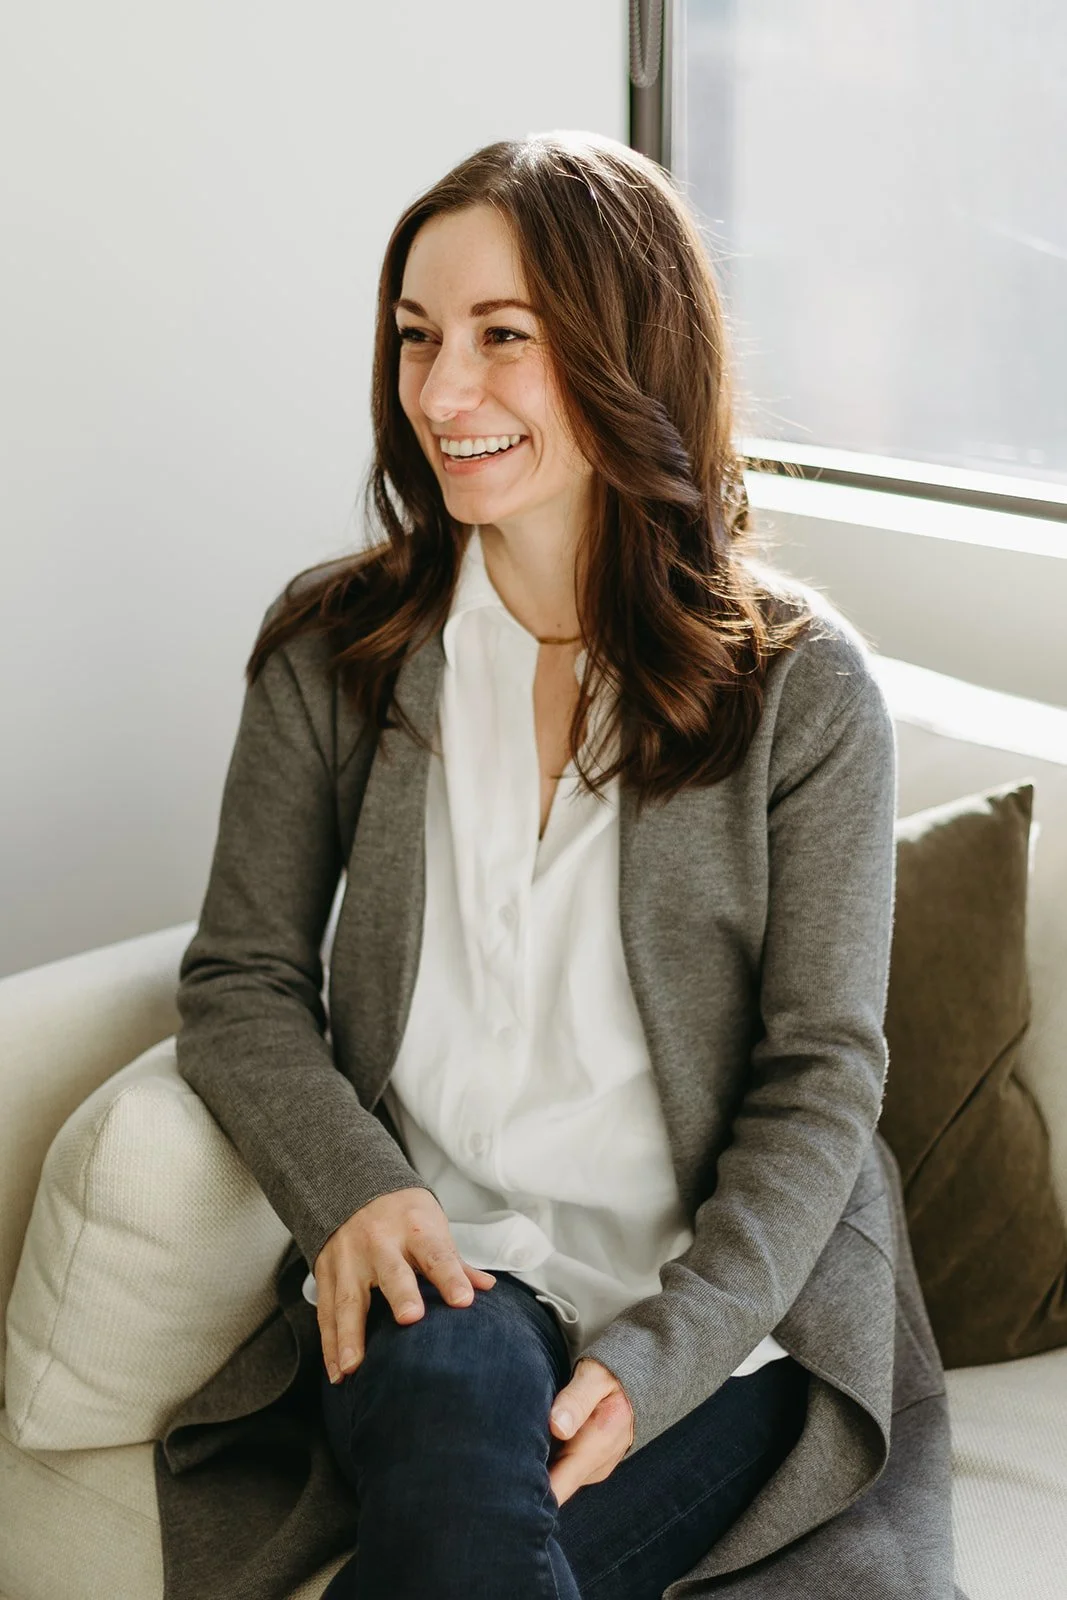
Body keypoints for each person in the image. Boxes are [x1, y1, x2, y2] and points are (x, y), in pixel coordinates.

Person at [174, 132, 958, 1599]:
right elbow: (239, 980)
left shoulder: (799, 689)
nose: (440, 394)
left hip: (730, 1314)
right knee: (459, 1405)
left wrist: (663, 1359)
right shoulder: (336, 652)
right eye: (417, 339)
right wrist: (358, 1193)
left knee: (459, 1553)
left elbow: (820, 1078)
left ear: (626, 350)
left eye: (501, 339)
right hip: (446, 1282)